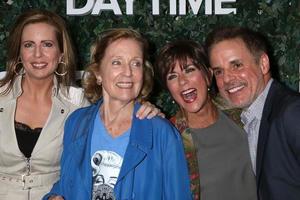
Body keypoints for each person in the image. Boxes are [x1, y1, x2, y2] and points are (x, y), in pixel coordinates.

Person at [0, 9, 160, 200]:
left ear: (61, 54)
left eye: (47, 44)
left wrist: (145, 109)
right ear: (19, 52)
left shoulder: (78, 106)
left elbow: (118, 110)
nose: (38, 54)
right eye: (28, 45)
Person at [43, 28, 192, 200]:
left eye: (136, 63)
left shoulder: (161, 133)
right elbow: (66, 183)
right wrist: (54, 196)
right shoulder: (76, 122)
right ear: (98, 73)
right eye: (117, 62)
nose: (128, 72)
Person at [205, 26, 300, 200]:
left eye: (237, 65)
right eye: (219, 71)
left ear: (263, 64)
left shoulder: (292, 112)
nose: (226, 79)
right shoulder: (249, 116)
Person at [155, 40, 257, 200]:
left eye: (189, 70)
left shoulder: (243, 113)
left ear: (208, 76)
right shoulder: (167, 138)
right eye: (172, 76)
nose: (182, 81)